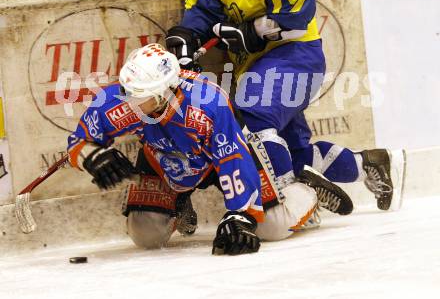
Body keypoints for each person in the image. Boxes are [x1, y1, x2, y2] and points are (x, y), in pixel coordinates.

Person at [165, 0, 394, 212]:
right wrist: (188, 32)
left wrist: (254, 32)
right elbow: (205, 3)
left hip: (295, 55)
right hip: (256, 64)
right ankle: (369, 164)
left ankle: (289, 198)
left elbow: (298, 18)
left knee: (250, 112)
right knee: (295, 150)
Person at [67, 44, 352, 255]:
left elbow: (233, 158)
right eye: (129, 93)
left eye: (139, 97)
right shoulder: (120, 97)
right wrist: (91, 156)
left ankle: (305, 189)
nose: (129, 103)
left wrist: (241, 214)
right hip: (165, 159)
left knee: (271, 228)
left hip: (221, 160)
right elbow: (78, 141)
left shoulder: (208, 103)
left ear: (165, 92)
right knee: (145, 235)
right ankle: (178, 202)